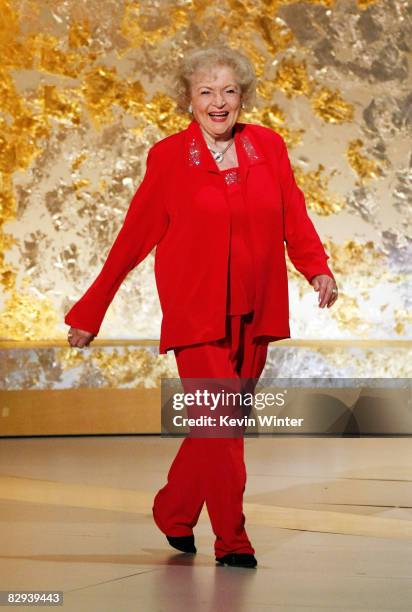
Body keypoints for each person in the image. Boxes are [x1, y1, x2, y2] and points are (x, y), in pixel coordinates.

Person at [65, 45, 338, 569]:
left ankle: (174, 509)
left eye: (229, 91)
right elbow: (132, 241)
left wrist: (316, 267)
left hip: (256, 310)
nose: (218, 102)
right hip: (196, 313)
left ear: (242, 98)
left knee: (219, 424)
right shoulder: (168, 157)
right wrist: (89, 312)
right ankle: (233, 539)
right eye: (206, 92)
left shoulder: (268, 147)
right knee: (224, 428)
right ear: (188, 99)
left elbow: (293, 216)